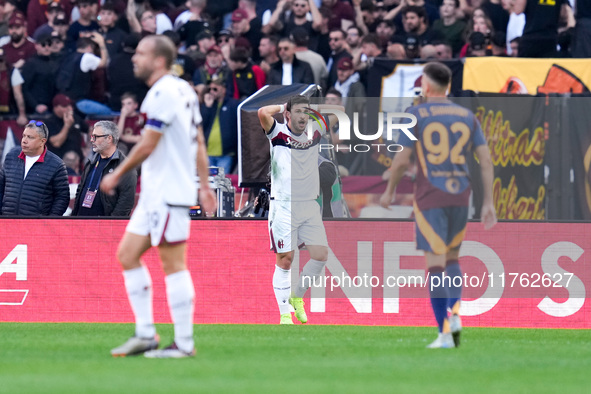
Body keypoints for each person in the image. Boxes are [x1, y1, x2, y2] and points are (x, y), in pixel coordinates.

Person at [100, 35, 216, 358]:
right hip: (156, 194)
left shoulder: (162, 92)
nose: (134, 58)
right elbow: (199, 143)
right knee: (127, 254)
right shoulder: (184, 90)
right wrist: (204, 187)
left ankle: (184, 343)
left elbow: (149, 142)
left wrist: (117, 173)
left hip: (168, 193)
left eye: (140, 53)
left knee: (174, 265)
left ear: (159, 60)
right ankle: (146, 334)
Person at [380, 62, 497, 348]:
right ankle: (455, 313)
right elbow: (486, 160)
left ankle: (445, 333)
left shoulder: (416, 114)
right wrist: (489, 202)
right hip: (461, 194)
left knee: (434, 265)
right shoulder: (467, 115)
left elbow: (401, 160)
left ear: (427, 87)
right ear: (449, 86)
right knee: (453, 259)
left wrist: (389, 191)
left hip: (430, 195)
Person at [257, 96, 340, 325]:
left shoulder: (313, 133)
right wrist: (283, 107)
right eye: (298, 112)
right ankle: (284, 315)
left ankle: (296, 297)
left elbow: (339, 111)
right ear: (287, 115)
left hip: (309, 205)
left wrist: (312, 111)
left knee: (320, 255)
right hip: (284, 203)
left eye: (306, 112)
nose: (303, 116)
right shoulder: (278, 133)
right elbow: (263, 112)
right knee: (285, 259)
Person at [0, 120, 69, 216]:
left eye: (30, 137)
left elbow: (62, 198)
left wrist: (49, 221)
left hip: (36, 227)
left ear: (42, 141)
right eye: (24, 135)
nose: (24, 140)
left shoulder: (57, 165)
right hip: (8, 222)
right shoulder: (11, 156)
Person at [72, 121, 136, 217]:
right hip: (81, 224)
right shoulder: (91, 161)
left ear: (109, 138)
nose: (91, 140)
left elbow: (125, 203)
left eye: (96, 137)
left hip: (104, 228)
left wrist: (109, 226)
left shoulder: (125, 166)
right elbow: (80, 191)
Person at [200, 77, 239, 174]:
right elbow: (201, 124)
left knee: (222, 183)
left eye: (215, 89)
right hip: (208, 152)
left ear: (223, 89)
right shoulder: (208, 105)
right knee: (210, 183)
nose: (212, 92)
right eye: (210, 89)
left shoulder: (233, 104)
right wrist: (207, 107)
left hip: (226, 153)